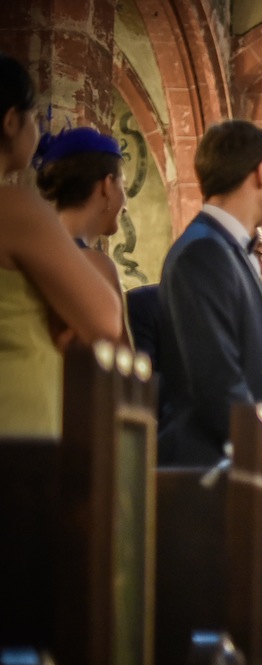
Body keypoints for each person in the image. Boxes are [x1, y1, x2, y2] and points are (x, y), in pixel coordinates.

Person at [0, 53, 123, 438]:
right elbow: (105, 320)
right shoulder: (15, 208)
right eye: (34, 117)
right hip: (19, 421)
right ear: (10, 120)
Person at [156, 119, 262, 466]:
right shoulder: (203, 252)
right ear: (261, 173)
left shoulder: (227, 250)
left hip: (236, 461)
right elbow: (215, 379)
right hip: (210, 466)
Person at [32, 126, 128, 340]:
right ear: (107, 185)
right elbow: (120, 365)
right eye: (123, 185)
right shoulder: (97, 266)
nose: (125, 204)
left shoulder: (30, 254)